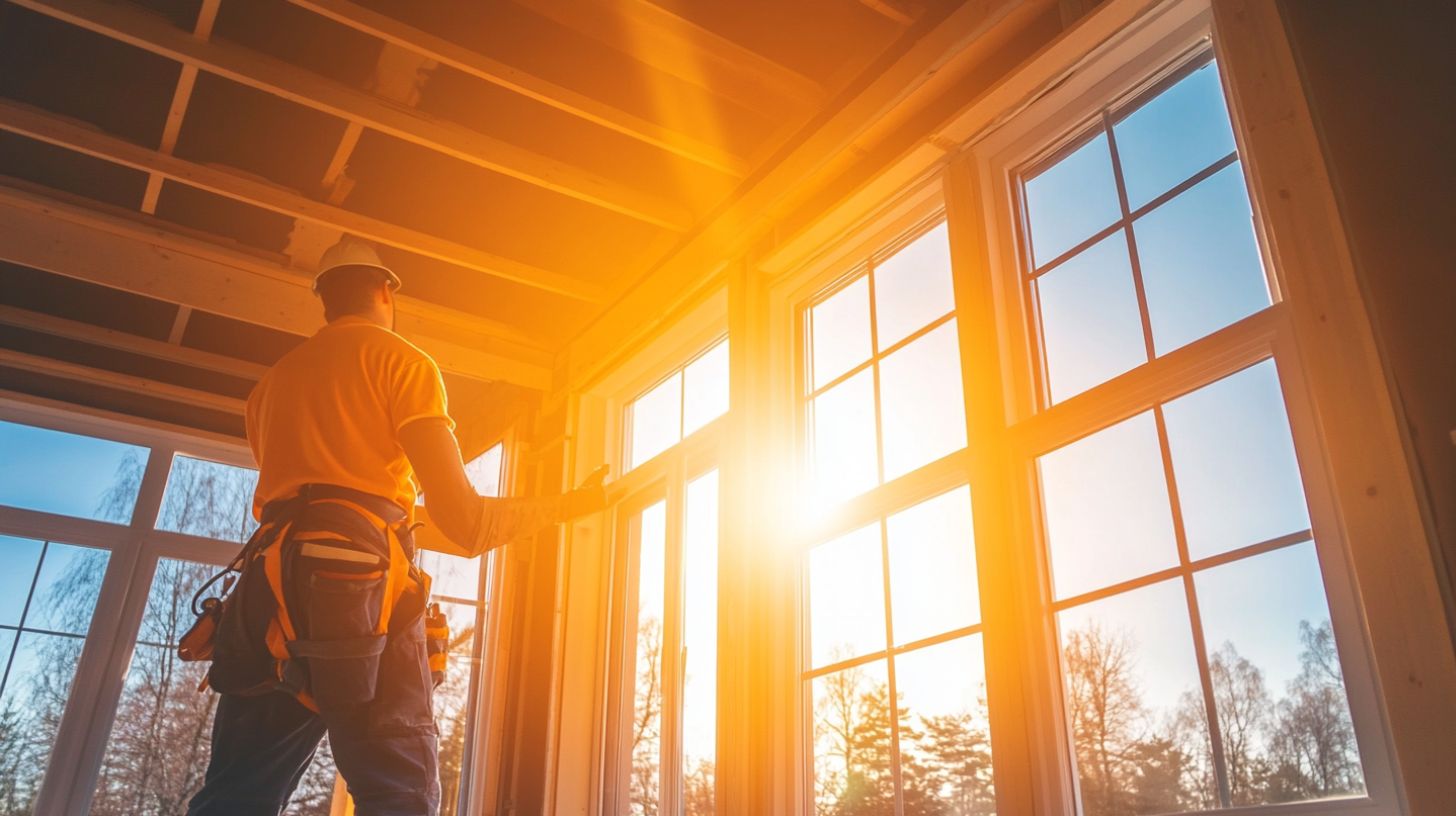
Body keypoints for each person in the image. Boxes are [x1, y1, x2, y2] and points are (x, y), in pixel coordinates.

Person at [186, 236, 605, 815]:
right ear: (386, 291)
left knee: (236, 797)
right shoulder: (403, 361)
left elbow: (322, 502)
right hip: (361, 600)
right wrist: (567, 506)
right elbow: (466, 523)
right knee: (400, 796)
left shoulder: (270, 386)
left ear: (324, 300)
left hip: (267, 598)